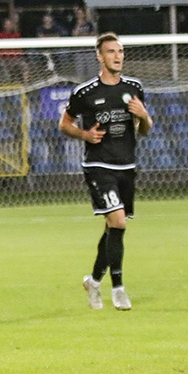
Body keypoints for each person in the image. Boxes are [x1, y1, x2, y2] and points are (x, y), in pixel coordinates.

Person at [58, 32, 153, 311]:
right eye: (111, 51)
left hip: (127, 166)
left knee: (113, 227)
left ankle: (94, 281)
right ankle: (119, 288)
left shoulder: (134, 87)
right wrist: (84, 135)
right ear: (100, 56)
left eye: (120, 51)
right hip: (99, 167)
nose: (117, 56)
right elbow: (65, 124)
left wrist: (144, 115)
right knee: (119, 222)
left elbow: (145, 129)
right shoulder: (85, 92)